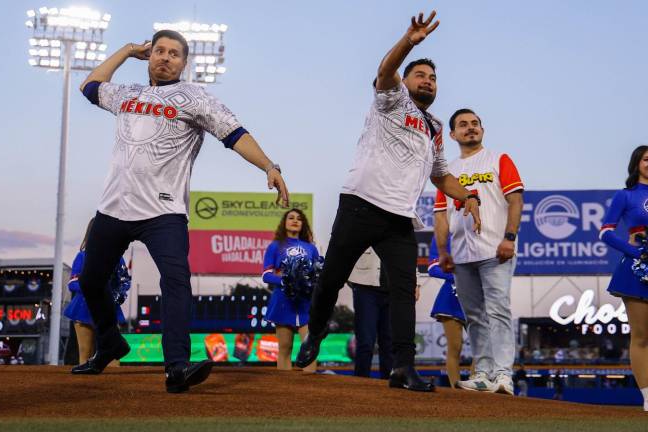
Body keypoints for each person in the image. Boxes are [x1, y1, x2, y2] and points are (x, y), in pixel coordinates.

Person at [74, 30, 289, 394]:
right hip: (113, 207)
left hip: (163, 210)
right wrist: (127, 51)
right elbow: (90, 86)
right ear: (151, 55)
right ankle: (109, 342)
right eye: (159, 50)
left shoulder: (195, 97)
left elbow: (236, 134)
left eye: (174, 53)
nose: (165, 57)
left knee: (175, 281)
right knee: (91, 283)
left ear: (184, 63)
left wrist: (269, 166)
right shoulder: (127, 94)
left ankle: (176, 365)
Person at [295, 11, 481, 393]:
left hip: (399, 219)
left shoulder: (434, 127)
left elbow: (441, 175)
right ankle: (314, 333)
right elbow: (385, 69)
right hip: (361, 204)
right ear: (406, 81)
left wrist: (469, 195)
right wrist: (408, 42)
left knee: (402, 291)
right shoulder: (392, 100)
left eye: (432, 78)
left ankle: (402, 367)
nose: (427, 81)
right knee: (331, 277)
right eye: (420, 75)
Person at [434, 108, 524, 395]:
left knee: (498, 310)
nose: (470, 128)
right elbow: (440, 214)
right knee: (474, 315)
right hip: (461, 254)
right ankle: (483, 372)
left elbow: (516, 200)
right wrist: (442, 251)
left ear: (482, 130)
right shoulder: (447, 172)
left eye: (475, 124)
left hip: (496, 249)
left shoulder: (499, 159)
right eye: (463, 125)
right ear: (452, 134)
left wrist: (509, 237)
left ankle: (503, 375)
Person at [600, 145, 648, 411]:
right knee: (641, 336)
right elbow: (605, 232)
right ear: (636, 163)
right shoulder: (626, 195)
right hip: (638, 270)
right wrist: (635, 251)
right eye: (646, 159)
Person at [64, 219, 131, 366]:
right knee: (85, 354)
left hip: (109, 310)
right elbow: (72, 282)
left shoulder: (117, 258)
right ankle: (85, 388)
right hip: (83, 309)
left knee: (113, 356)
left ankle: (115, 388)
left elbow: (125, 280)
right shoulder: (82, 257)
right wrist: (96, 292)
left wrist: (113, 298)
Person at [262, 209, 320, 373]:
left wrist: (309, 281)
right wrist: (287, 280)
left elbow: (317, 274)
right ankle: (284, 392)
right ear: (284, 223)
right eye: (291, 218)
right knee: (285, 348)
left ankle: (310, 393)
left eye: (299, 219)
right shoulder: (275, 246)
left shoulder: (311, 248)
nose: (295, 220)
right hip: (283, 301)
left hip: (305, 303)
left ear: (303, 224)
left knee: (309, 349)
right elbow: (266, 275)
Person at [347, 248, 393, 379]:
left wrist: (415, 282)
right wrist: (354, 281)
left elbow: (407, 254)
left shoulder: (398, 228)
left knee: (389, 342)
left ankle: (390, 387)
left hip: (393, 289)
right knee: (365, 342)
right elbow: (345, 252)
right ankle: (361, 386)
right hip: (365, 290)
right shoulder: (359, 228)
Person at [427, 235, 466, 388]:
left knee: (482, 347)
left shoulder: (482, 228)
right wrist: (460, 277)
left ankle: (476, 387)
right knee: (455, 346)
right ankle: (456, 389)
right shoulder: (443, 233)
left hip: (478, 297)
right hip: (451, 296)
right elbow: (432, 268)